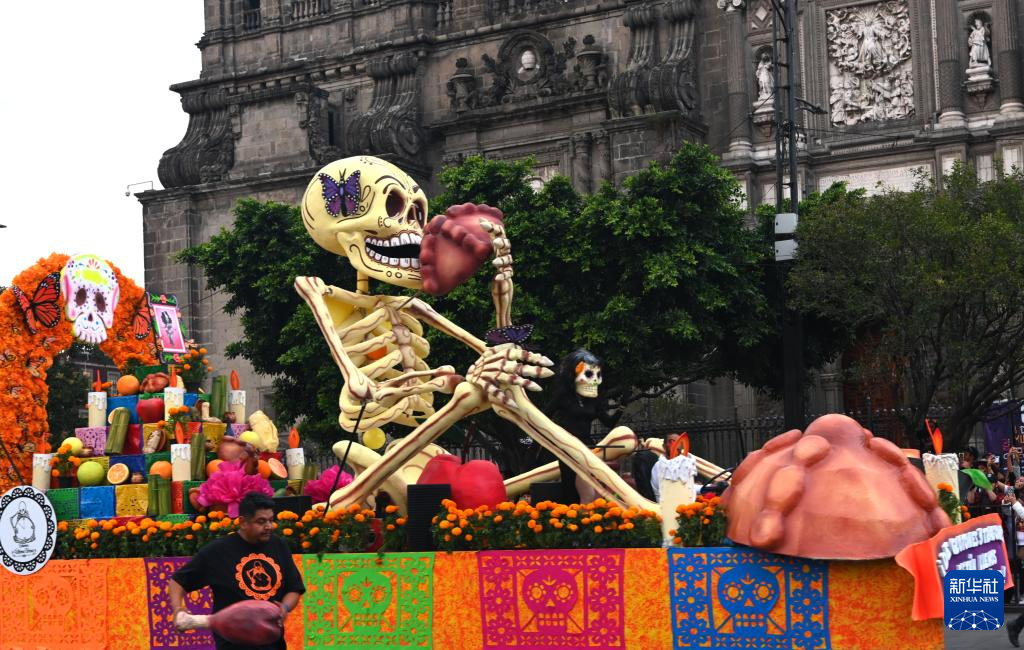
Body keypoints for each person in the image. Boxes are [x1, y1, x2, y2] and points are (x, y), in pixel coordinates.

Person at [170, 492, 305, 650]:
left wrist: (285, 607)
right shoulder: (218, 551)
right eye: (261, 521)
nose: (269, 526)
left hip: (273, 644)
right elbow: (178, 581)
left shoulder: (279, 545)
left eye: (271, 520)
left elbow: (294, 588)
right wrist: (178, 609)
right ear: (243, 522)